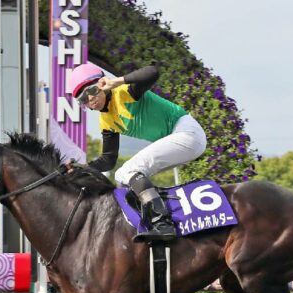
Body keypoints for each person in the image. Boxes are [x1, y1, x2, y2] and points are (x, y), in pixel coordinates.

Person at [66, 63, 207, 242]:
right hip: (182, 139)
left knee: (127, 171)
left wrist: (116, 81)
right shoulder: (106, 122)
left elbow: (153, 71)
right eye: (83, 100)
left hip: (187, 132)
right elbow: (108, 160)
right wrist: (82, 168)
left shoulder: (125, 92)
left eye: (90, 91)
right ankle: (160, 217)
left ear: (102, 84)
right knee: (124, 178)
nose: (90, 99)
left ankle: (162, 222)